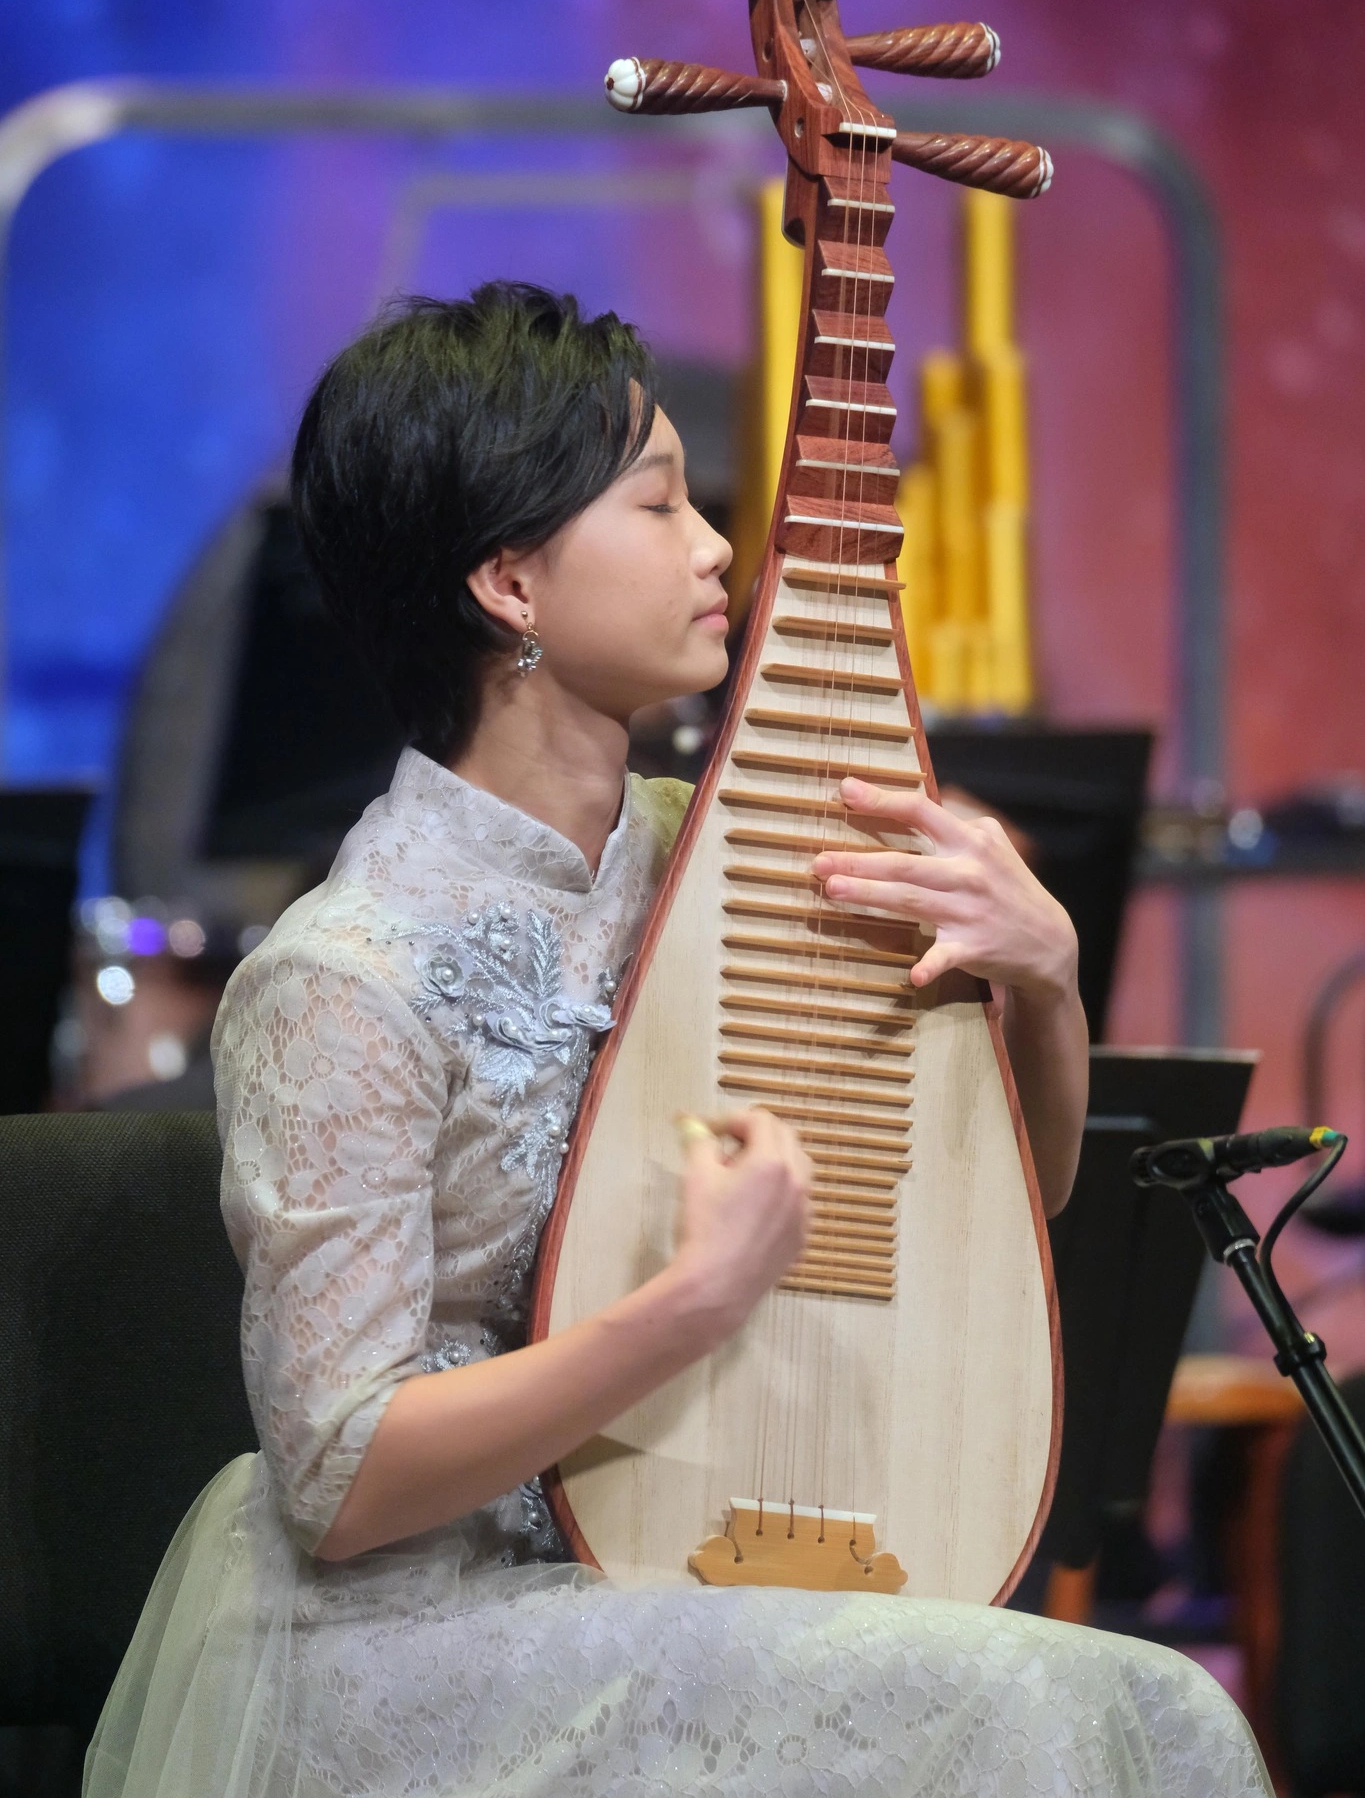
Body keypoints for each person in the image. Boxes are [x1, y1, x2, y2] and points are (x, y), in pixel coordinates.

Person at [85, 283, 1269, 1798]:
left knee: (1138, 1709)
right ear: (510, 583)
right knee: (1094, 1713)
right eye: (658, 507)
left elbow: (1000, 1213)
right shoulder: (343, 975)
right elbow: (340, 1476)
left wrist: (1046, 984)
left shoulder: (730, 864)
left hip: (690, 1563)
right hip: (436, 1640)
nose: (717, 548)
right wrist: (692, 1304)